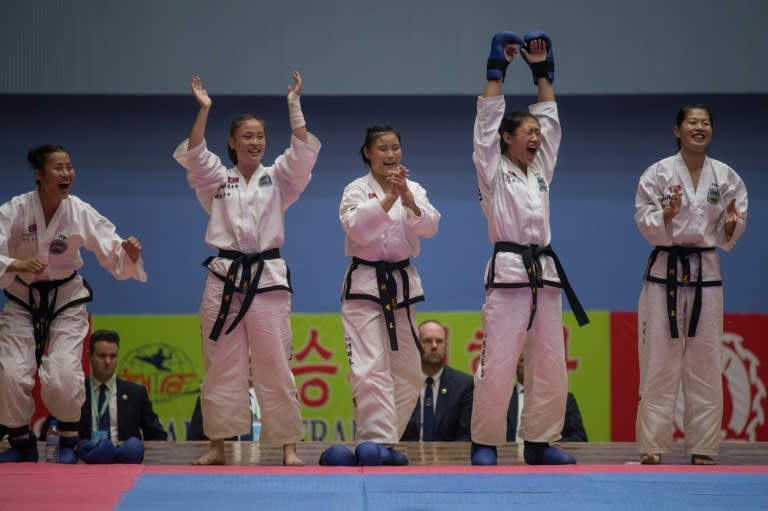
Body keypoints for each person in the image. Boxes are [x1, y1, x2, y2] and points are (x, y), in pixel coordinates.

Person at [173, 72, 320, 466]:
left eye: (260, 137)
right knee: (220, 363)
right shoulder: (217, 179)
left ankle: (288, 445)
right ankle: (218, 444)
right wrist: (204, 110)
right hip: (224, 277)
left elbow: (303, 151)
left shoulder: (280, 179)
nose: (255, 142)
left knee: (275, 362)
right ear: (232, 142)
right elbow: (194, 151)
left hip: (268, 278)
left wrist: (294, 104)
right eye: (247, 136)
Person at [469, 31, 589, 466]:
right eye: (528, 132)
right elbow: (485, 126)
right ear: (507, 138)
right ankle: (484, 442)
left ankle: (538, 442)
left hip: (546, 275)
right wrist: (495, 72)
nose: (537, 137)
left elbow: (553, 124)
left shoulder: (540, 170)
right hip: (508, 273)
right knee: (498, 364)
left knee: (551, 365)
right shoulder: (492, 170)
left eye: (537, 132)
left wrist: (543, 75)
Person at [0, 144, 147, 463]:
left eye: (69, 167)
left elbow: (111, 245)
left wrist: (128, 255)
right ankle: (20, 442)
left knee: (66, 374)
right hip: (22, 297)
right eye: (58, 168)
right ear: (39, 175)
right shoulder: (15, 210)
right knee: (10, 373)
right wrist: (15, 264)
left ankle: (68, 438)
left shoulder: (78, 211)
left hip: (66, 297)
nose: (67, 174)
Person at [634, 105, 748, 466]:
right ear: (677, 130)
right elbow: (643, 218)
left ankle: (703, 446)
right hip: (664, 272)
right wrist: (665, 215)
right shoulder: (658, 173)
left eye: (705, 123)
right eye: (692, 123)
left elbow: (731, 228)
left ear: (711, 131)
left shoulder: (727, 176)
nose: (699, 128)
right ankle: (652, 445)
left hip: (706, 273)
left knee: (706, 362)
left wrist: (731, 226)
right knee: (659, 361)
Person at [336, 125, 440, 465]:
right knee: (368, 370)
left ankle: (383, 443)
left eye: (395, 147)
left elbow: (430, 227)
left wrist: (407, 199)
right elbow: (356, 228)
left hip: (401, 285)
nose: (391, 154)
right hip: (365, 285)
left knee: (410, 372)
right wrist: (388, 200)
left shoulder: (414, 187)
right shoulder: (355, 189)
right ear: (368, 152)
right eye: (383, 148)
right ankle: (375, 443)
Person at [77, 329, 166, 441]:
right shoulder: (76, 392)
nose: (108, 361)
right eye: (102, 356)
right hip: (85, 456)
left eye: (113, 356)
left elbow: (157, 436)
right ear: (89, 356)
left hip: (125, 457)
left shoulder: (136, 393)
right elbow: (54, 432)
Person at [401, 320, 473, 442]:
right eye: (427, 341)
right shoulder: (400, 384)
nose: (434, 346)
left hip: (450, 459)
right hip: (407, 458)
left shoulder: (464, 385)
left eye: (439, 341)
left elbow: (466, 436)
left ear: (446, 346)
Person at [507, 354, 587, 442]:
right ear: (515, 367)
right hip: (509, 455)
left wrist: (552, 448)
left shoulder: (564, 400)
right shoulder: (502, 401)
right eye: (523, 361)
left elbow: (580, 438)